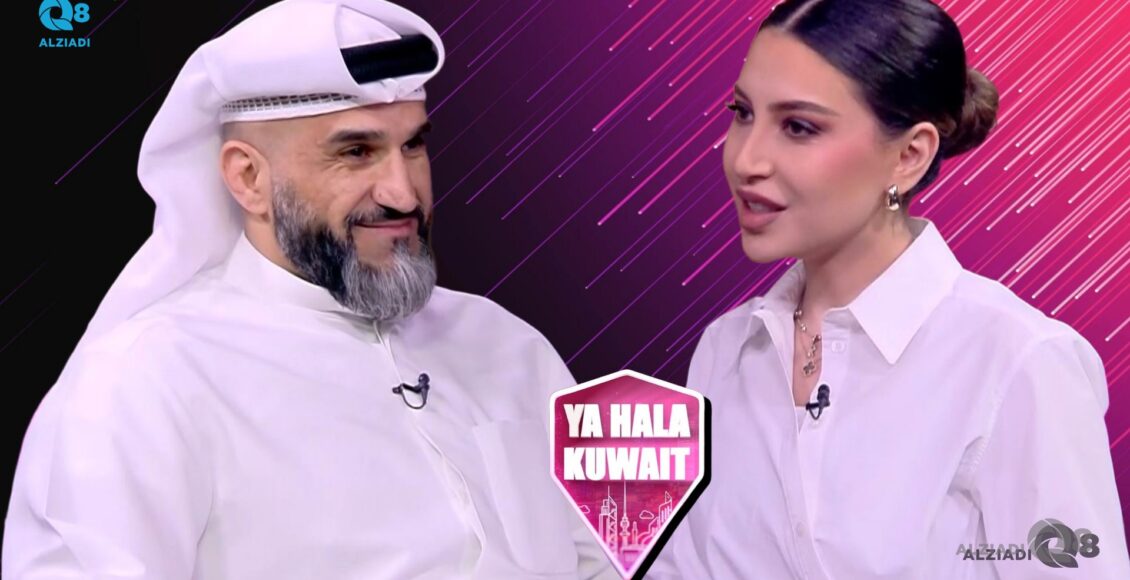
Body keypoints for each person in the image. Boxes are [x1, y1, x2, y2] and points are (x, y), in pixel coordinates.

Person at [3, 1, 612, 578]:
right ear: (248, 177)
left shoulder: (507, 344)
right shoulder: (145, 382)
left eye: (413, 145)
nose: (403, 194)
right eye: (356, 152)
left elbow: (616, 558)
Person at [649, 0, 1130, 578]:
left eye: (798, 127)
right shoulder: (725, 350)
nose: (746, 159)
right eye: (743, 113)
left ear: (909, 155)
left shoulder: (1017, 362)